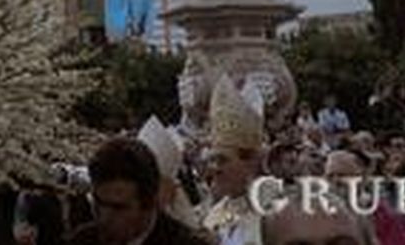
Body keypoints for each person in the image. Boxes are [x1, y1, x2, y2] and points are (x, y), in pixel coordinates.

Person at [71, 136, 213, 245]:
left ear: (149, 204)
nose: (104, 217)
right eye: (98, 203)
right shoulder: (81, 241)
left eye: (118, 208)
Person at [201, 75, 267, 245]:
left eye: (222, 160)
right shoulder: (214, 213)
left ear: (251, 162)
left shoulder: (275, 212)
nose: (214, 169)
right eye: (212, 160)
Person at [325, 148, 405, 245]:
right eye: (330, 176)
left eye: (342, 175)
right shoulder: (319, 211)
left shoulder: (380, 212)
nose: (336, 180)